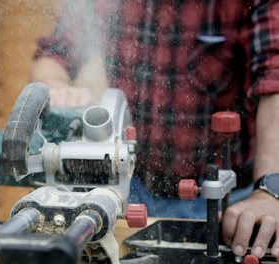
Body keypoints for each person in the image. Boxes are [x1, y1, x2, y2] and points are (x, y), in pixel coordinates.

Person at [30, 0, 279, 259]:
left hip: (228, 199)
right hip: (132, 188)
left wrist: (270, 191)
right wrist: (55, 86)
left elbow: (274, 79)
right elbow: (52, 55)